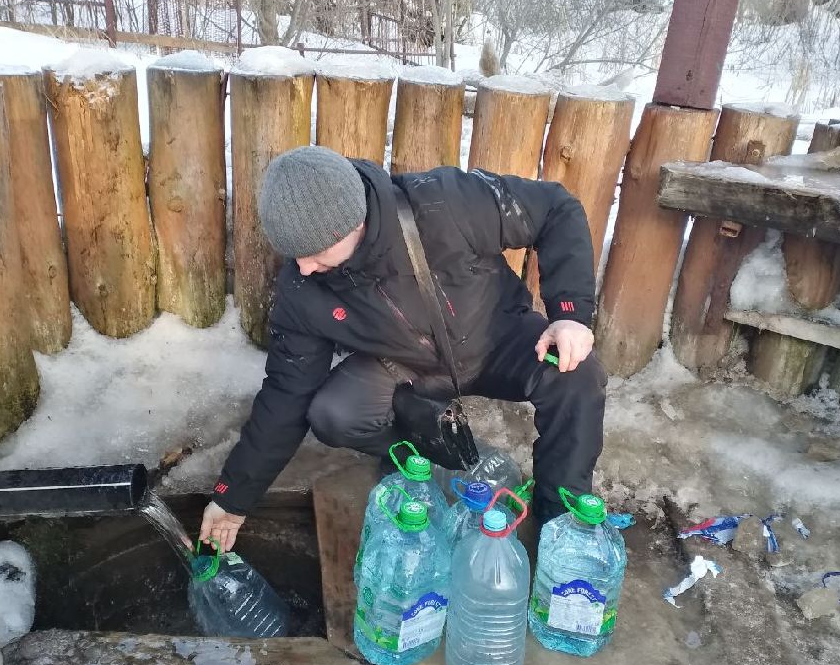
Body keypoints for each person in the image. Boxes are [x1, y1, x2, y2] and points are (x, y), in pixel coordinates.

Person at [200, 146, 606, 552]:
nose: (303, 267)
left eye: (315, 252)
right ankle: (422, 458)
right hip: (405, 365)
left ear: (351, 223)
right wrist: (232, 498)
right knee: (334, 413)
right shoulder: (303, 288)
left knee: (577, 376)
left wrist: (570, 313)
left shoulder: (443, 202)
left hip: (498, 337)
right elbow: (287, 393)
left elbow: (556, 208)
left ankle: (561, 526)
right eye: (295, 255)